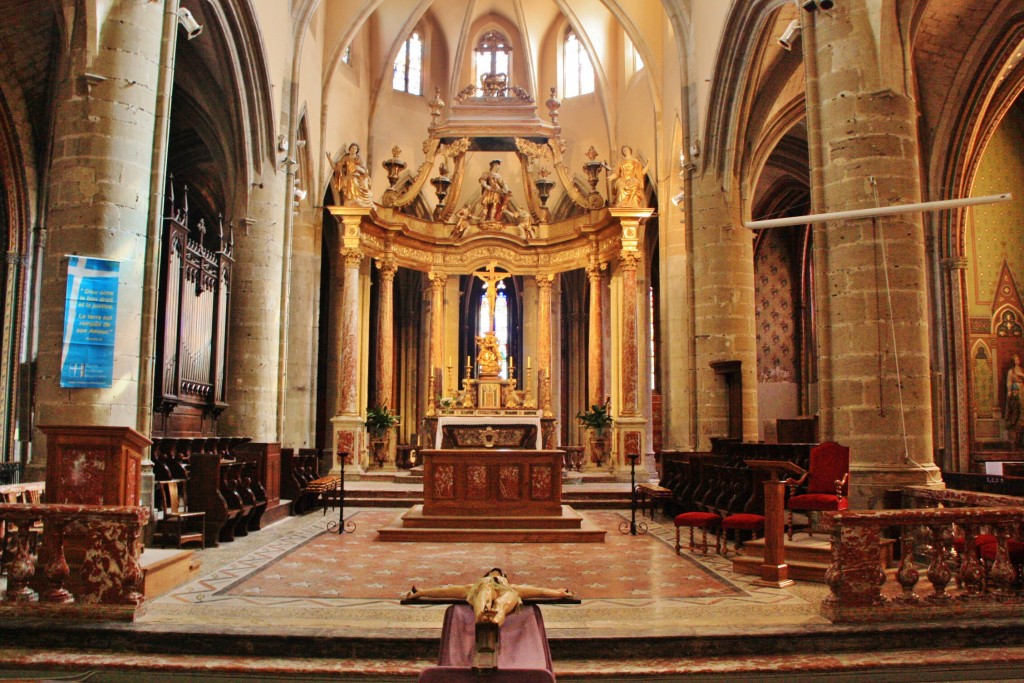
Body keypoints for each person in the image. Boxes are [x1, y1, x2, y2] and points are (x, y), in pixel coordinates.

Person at [404, 568, 574, 628]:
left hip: (506, 592)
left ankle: (495, 621)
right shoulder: (476, 584)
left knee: (501, 603)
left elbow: (540, 591)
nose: (496, 573)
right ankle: (482, 615)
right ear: (486, 575)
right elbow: (447, 591)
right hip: (484, 589)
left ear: (505, 577)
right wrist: (422, 592)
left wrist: (558, 593)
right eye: (494, 572)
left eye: (499, 573)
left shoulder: (513, 587)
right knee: (485, 594)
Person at [1006, 354, 1024, 433]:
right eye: (1016, 360)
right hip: (1015, 389)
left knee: (1023, 404)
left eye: (1018, 360)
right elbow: (1009, 381)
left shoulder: (1022, 370)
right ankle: (1015, 422)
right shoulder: (1011, 371)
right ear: (1013, 361)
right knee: (1016, 405)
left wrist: (1022, 375)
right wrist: (1009, 390)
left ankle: (1022, 422)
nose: (1018, 361)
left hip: (1022, 387)